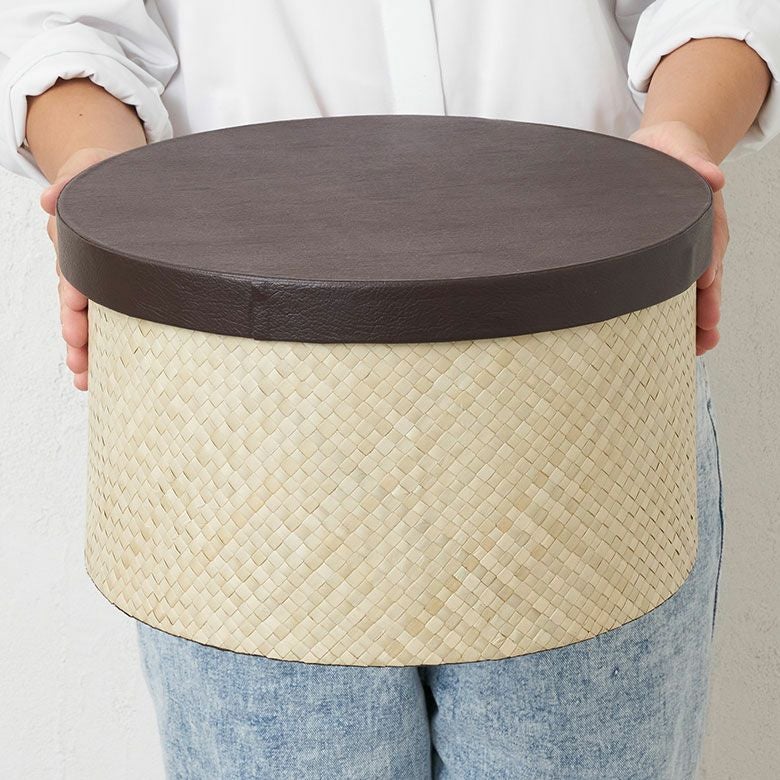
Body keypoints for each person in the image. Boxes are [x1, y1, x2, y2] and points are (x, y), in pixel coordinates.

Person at [0, 2, 777, 778]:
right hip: (239, 407)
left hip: (585, 378)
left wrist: (682, 137)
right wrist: (99, 181)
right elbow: (64, 22)